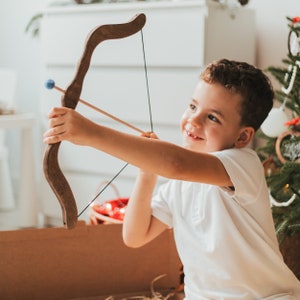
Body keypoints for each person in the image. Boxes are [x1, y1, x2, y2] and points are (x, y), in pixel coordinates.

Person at [44, 59, 300, 299]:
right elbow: (134, 236)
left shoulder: (243, 163)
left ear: (242, 137)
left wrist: (93, 134)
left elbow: (176, 164)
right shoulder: (178, 185)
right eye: (192, 106)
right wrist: (146, 172)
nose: (193, 120)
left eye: (212, 117)